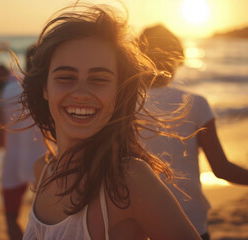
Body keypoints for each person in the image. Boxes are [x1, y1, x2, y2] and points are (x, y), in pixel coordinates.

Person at [17, 4, 201, 239]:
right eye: (65, 77)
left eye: (99, 79)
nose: (81, 93)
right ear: (45, 88)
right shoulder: (42, 171)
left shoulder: (131, 181)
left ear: (118, 92)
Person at [138, 24, 248, 240]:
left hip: (138, 225)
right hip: (190, 222)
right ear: (178, 58)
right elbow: (222, 170)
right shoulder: (196, 104)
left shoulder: (122, 107)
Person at [0, 58, 47, 239]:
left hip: (12, 160)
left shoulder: (9, 87)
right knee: (45, 221)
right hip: (43, 160)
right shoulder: (48, 89)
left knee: (11, 217)